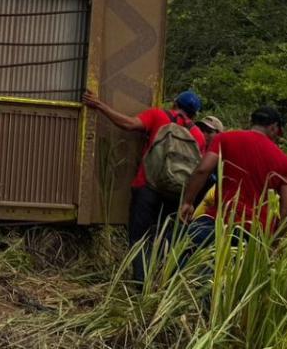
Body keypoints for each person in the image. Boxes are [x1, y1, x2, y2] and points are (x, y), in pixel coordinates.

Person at [83, 88, 206, 281]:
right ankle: (163, 281)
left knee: (139, 237)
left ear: (174, 103)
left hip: (147, 187)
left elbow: (128, 124)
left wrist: (99, 105)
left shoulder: (158, 115)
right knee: (165, 239)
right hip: (176, 193)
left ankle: (141, 282)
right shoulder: (198, 134)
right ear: (195, 114)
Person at [179, 106, 287, 246]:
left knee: (184, 255)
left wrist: (187, 202)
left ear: (251, 121)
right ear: (273, 127)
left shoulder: (225, 138)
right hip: (254, 235)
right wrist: (274, 242)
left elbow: (202, 170)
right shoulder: (284, 161)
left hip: (218, 223)